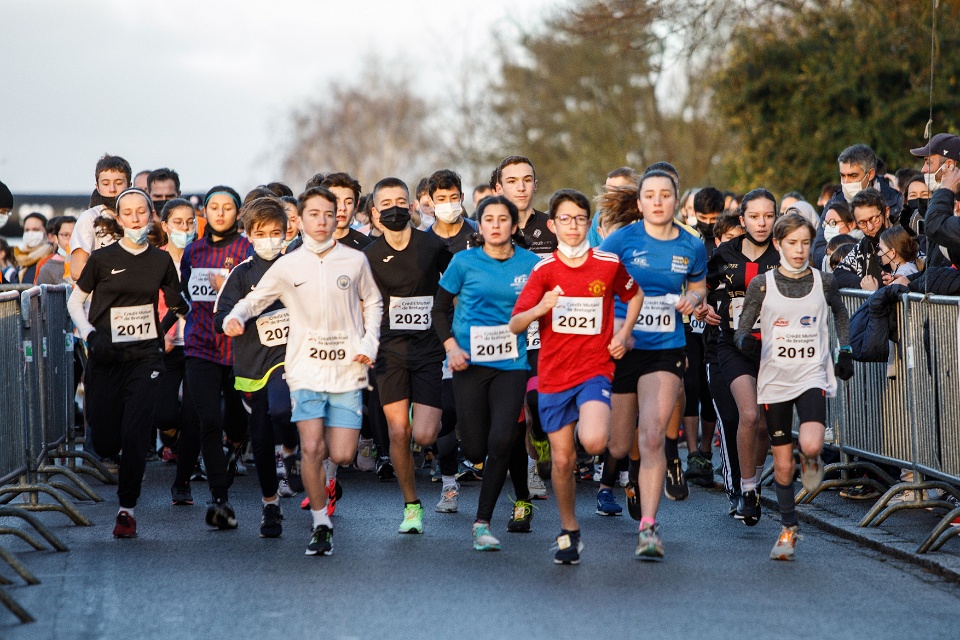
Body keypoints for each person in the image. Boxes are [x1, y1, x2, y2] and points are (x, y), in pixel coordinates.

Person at [223, 186, 382, 556]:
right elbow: (254, 299)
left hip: (344, 368)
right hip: (302, 367)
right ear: (302, 221)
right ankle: (320, 524)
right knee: (310, 446)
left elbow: (373, 301)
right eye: (314, 214)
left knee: (341, 454)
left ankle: (321, 467)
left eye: (328, 214)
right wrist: (235, 316)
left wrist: (369, 342)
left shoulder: (354, 260)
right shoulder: (287, 265)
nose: (321, 221)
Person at [510, 189, 643, 564]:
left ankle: (592, 454)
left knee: (595, 439)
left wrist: (623, 333)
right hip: (554, 375)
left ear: (589, 224)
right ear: (552, 225)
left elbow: (634, 295)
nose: (573, 226)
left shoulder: (607, 264)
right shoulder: (543, 270)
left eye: (580, 219)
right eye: (565, 219)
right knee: (562, 461)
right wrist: (541, 307)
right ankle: (569, 530)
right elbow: (516, 323)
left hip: (595, 369)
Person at [66, 188, 190, 538]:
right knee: (106, 441)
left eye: (142, 212)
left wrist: (162, 331)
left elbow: (179, 304)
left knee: (135, 432)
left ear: (151, 216)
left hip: (145, 357)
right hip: (105, 355)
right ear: (118, 220)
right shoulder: (102, 258)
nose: (135, 219)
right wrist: (91, 335)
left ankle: (127, 510)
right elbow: (75, 302)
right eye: (128, 213)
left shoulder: (161, 261)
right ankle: (114, 455)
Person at [599, 170, 707, 559]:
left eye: (665, 194)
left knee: (653, 436)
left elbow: (698, 285)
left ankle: (648, 527)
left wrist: (694, 300)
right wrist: (616, 329)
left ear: (676, 200)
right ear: (639, 202)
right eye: (650, 195)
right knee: (617, 443)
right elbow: (597, 286)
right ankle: (631, 477)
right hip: (623, 349)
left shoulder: (692, 245)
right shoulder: (620, 241)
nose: (658, 201)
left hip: (665, 348)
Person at [734, 212, 853, 560]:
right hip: (775, 380)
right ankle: (788, 529)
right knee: (783, 466)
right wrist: (745, 343)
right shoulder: (762, 284)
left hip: (812, 374)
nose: (799, 250)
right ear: (778, 244)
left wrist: (844, 350)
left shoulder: (823, 281)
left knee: (812, 442)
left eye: (804, 243)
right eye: (791, 243)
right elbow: (742, 328)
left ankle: (811, 458)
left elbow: (840, 313)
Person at [432, 195, 541, 551]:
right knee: (476, 448)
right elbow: (439, 309)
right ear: (479, 226)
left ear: (513, 225)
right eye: (488, 219)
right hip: (469, 363)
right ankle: (519, 491)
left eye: (502, 219)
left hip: (512, 363)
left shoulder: (531, 263)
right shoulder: (464, 262)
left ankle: (482, 522)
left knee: (501, 439)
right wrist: (451, 348)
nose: (495, 225)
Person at [363, 177, 452, 533]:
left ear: (412, 207)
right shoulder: (368, 256)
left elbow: (457, 283)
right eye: (386, 204)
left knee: (425, 435)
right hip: (390, 351)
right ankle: (411, 505)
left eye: (401, 202)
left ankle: (432, 424)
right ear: (375, 213)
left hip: (428, 349)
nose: (395, 209)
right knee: (399, 431)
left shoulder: (432, 246)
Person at [214, 197, 298, 538]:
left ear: (286, 233)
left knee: (281, 408)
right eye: (261, 233)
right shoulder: (242, 273)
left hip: (291, 359)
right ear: (249, 235)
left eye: (275, 232)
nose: (268, 239)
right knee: (261, 440)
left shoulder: (297, 267)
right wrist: (231, 323)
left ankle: (290, 449)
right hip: (252, 365)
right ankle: (270, 504)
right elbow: (221, 314)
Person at [179, 186, 253, 530]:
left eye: (227, 207)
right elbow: (185, 292)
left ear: (238, 213)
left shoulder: (247, 250)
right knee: (208, 420)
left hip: (238, 348)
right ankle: (219, 498)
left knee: (236, 423)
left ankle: (234, 447)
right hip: (200, 345)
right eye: (214, 207)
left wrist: (229, 288)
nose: (220, 213)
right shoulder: (193, 251)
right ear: (204, 213)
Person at [706, 188, 779, 524]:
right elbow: (700, 288)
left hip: (774, 350)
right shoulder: (725, 253)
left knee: (764, 426)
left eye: (768, 216)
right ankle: (746, 491)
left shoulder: (783, 252)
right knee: (748, 415)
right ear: (742, 219)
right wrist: (702, 306)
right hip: (733, 346)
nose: (761, 223)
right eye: (754, 216)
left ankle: (755, 481)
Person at [494, 155, 557, 499]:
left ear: (535, 184)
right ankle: (524, 470)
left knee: (535, 403)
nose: (521, 187)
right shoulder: (489, 227)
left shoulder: (552, 227)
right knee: (512, 412)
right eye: (512, 181)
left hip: (541, 333)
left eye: (527, 180)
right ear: (498, 188)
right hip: (500, 333)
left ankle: (537, 457)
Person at [425, 169, 479, 511]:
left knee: (476, 422)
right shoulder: (422, 242)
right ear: (430, 202)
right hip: (439, 338)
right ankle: (448, 486)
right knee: (446, 410)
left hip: (480, 335)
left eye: (453, 197)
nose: (448, 204)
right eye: (441, 199)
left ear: (462, 197)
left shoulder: (478, 234)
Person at [681, 187, 725, 488]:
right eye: (703, 217)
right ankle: (693, 453)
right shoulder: (687, 240)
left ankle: (707, 451)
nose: (708, 223)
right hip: (689, 324)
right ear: (693, 213)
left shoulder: (727, 242)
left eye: (714, 217)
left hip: (716, 323)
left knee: (710, 390)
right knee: (690, 385)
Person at [154, 199, 198, 487]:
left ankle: (185, 475)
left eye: (189, 222)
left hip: (197, 345)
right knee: (163, 413)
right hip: (166, 344)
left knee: (195, 412)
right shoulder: (154, 259)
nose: (185, 228)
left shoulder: (202, 257)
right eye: (178, 222)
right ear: (165, 226)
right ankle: (177, 441)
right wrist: (160, 333)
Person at [813, 144, 903, 268]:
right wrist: (834, 259)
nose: (846, 182)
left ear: (870, 174)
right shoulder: (834, 201)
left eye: (853, 176)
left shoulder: (895, 201)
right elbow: (818, 248)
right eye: (842, 176)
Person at [70, 154, 131, 280]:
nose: (112, 189)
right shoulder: (89, 218)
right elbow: (77, 270)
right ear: (97, 187)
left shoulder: (138, 217)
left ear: (129, 185)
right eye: (106, 183)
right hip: (101, 291)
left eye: (119, 183)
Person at [832, 188, 890, 289]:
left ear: (886, 212)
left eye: (874, 219)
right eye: (862, 223)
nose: (870, 227)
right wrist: (864, 284)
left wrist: (876, 292)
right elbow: (838, 274)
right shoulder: (864, 245)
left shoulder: (901, 238)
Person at [860, 227, 921, 291]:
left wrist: (871, 290)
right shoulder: (908, 268)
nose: (878, 253)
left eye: (880, 249)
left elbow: (897, 297)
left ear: (892, 253)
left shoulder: (904, 274)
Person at [323, 173, 372, 251]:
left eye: (348, 202)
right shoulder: (306, 244)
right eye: (336, 201)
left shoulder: (367, 247)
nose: (343, 208)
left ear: (356, 207)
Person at [16, 212, 55, 284]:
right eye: (27, 230)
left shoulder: (52, 258)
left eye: (35, 230)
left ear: (46, 232)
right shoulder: (21, 259)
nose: (30, 233)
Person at [37, 216, 76, 285]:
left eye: (75, 235)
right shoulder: (47, 269)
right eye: (66, 235)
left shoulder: (88, 262)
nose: (71, 239)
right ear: (55, 238)